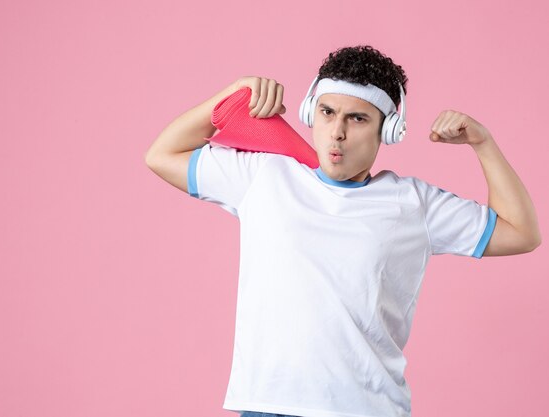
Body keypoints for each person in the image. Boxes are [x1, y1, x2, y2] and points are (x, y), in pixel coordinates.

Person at [144, 45, 541, 417]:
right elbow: (161, 154)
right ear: (309, 112)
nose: (336, 132)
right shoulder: (264, 176)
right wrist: (230, 94)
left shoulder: (412, 204)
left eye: (357, 118)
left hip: (365, 408)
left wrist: (483, 143)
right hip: (266, 404)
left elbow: (521, 232)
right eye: (327, 112)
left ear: (388, 131)